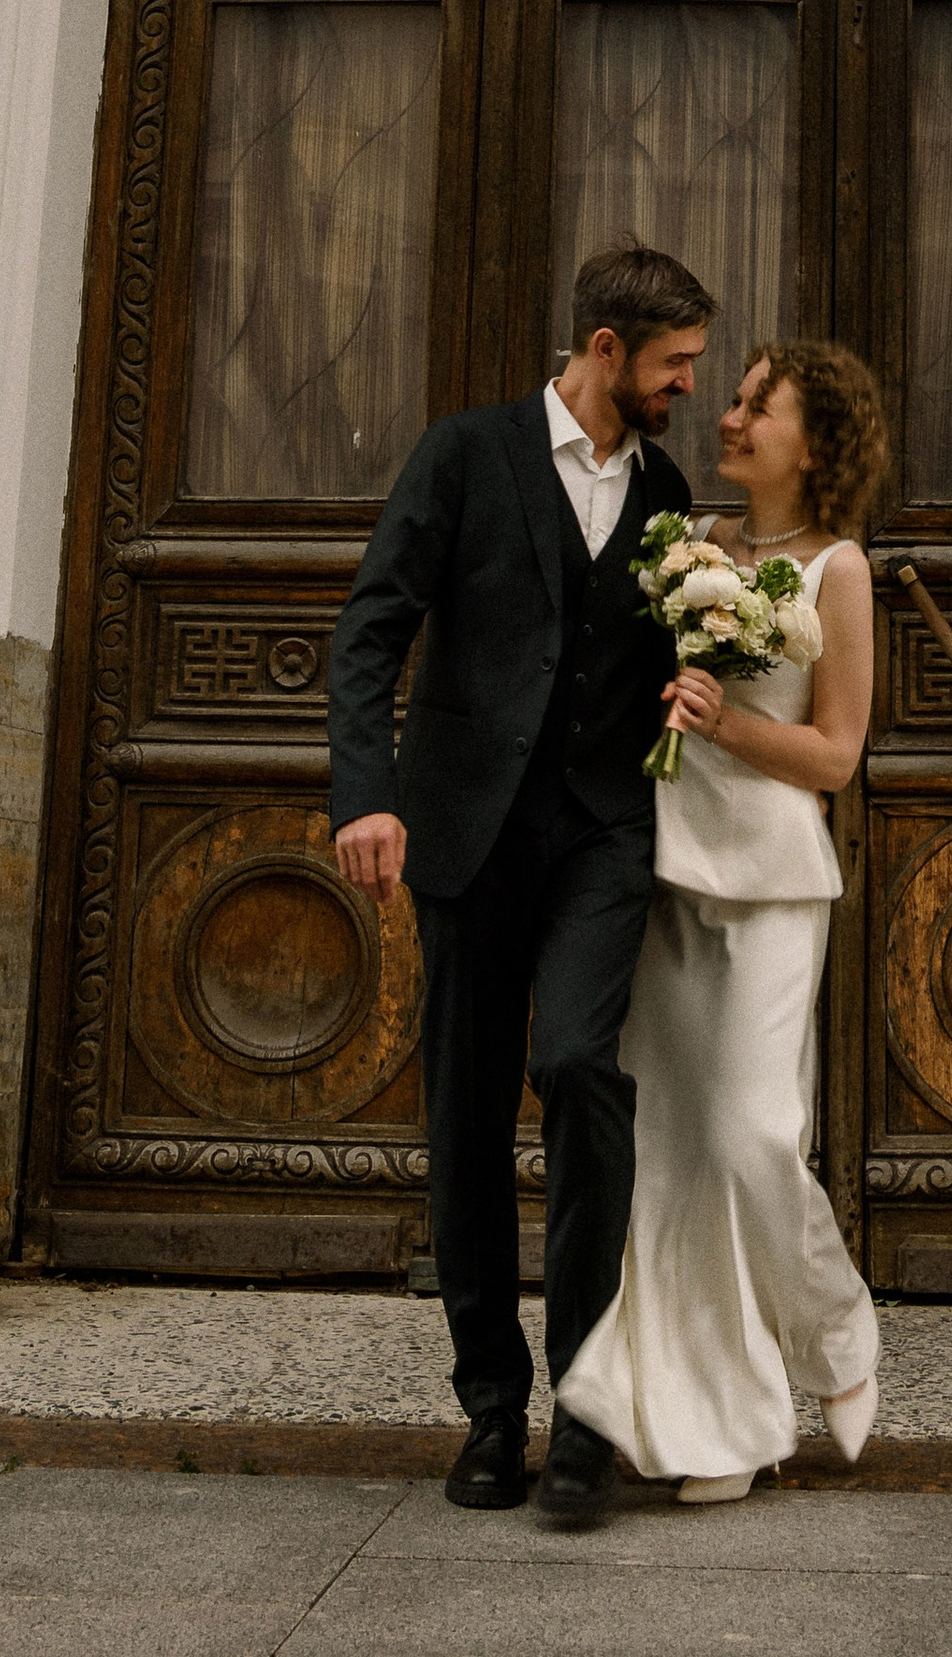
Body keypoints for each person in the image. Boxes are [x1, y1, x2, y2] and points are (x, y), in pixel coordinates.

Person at [326, 241, 710, 1527]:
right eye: (672, 365)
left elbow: (660, 645)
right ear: (605, 352)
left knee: (585, 1070)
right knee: (468, 1109)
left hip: (604, 828)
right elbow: (374, 622)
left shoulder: (667, 487)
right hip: (465, 828)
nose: (684, 389)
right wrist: (363, 790)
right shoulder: (464, 452)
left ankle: (589, 1404)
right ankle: (493, 1407)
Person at [556, 338, 887, 1504]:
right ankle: (723, 1425)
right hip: (666, 877)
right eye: (736, 396)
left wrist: (726, 721)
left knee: (753, 1137)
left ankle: (839, 1335)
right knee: (673, 1162)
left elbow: (836, 757)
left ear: (817, 440)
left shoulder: (838, 570)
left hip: (772, 884)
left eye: (760, 404)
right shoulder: (691, 543)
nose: (732, 416)